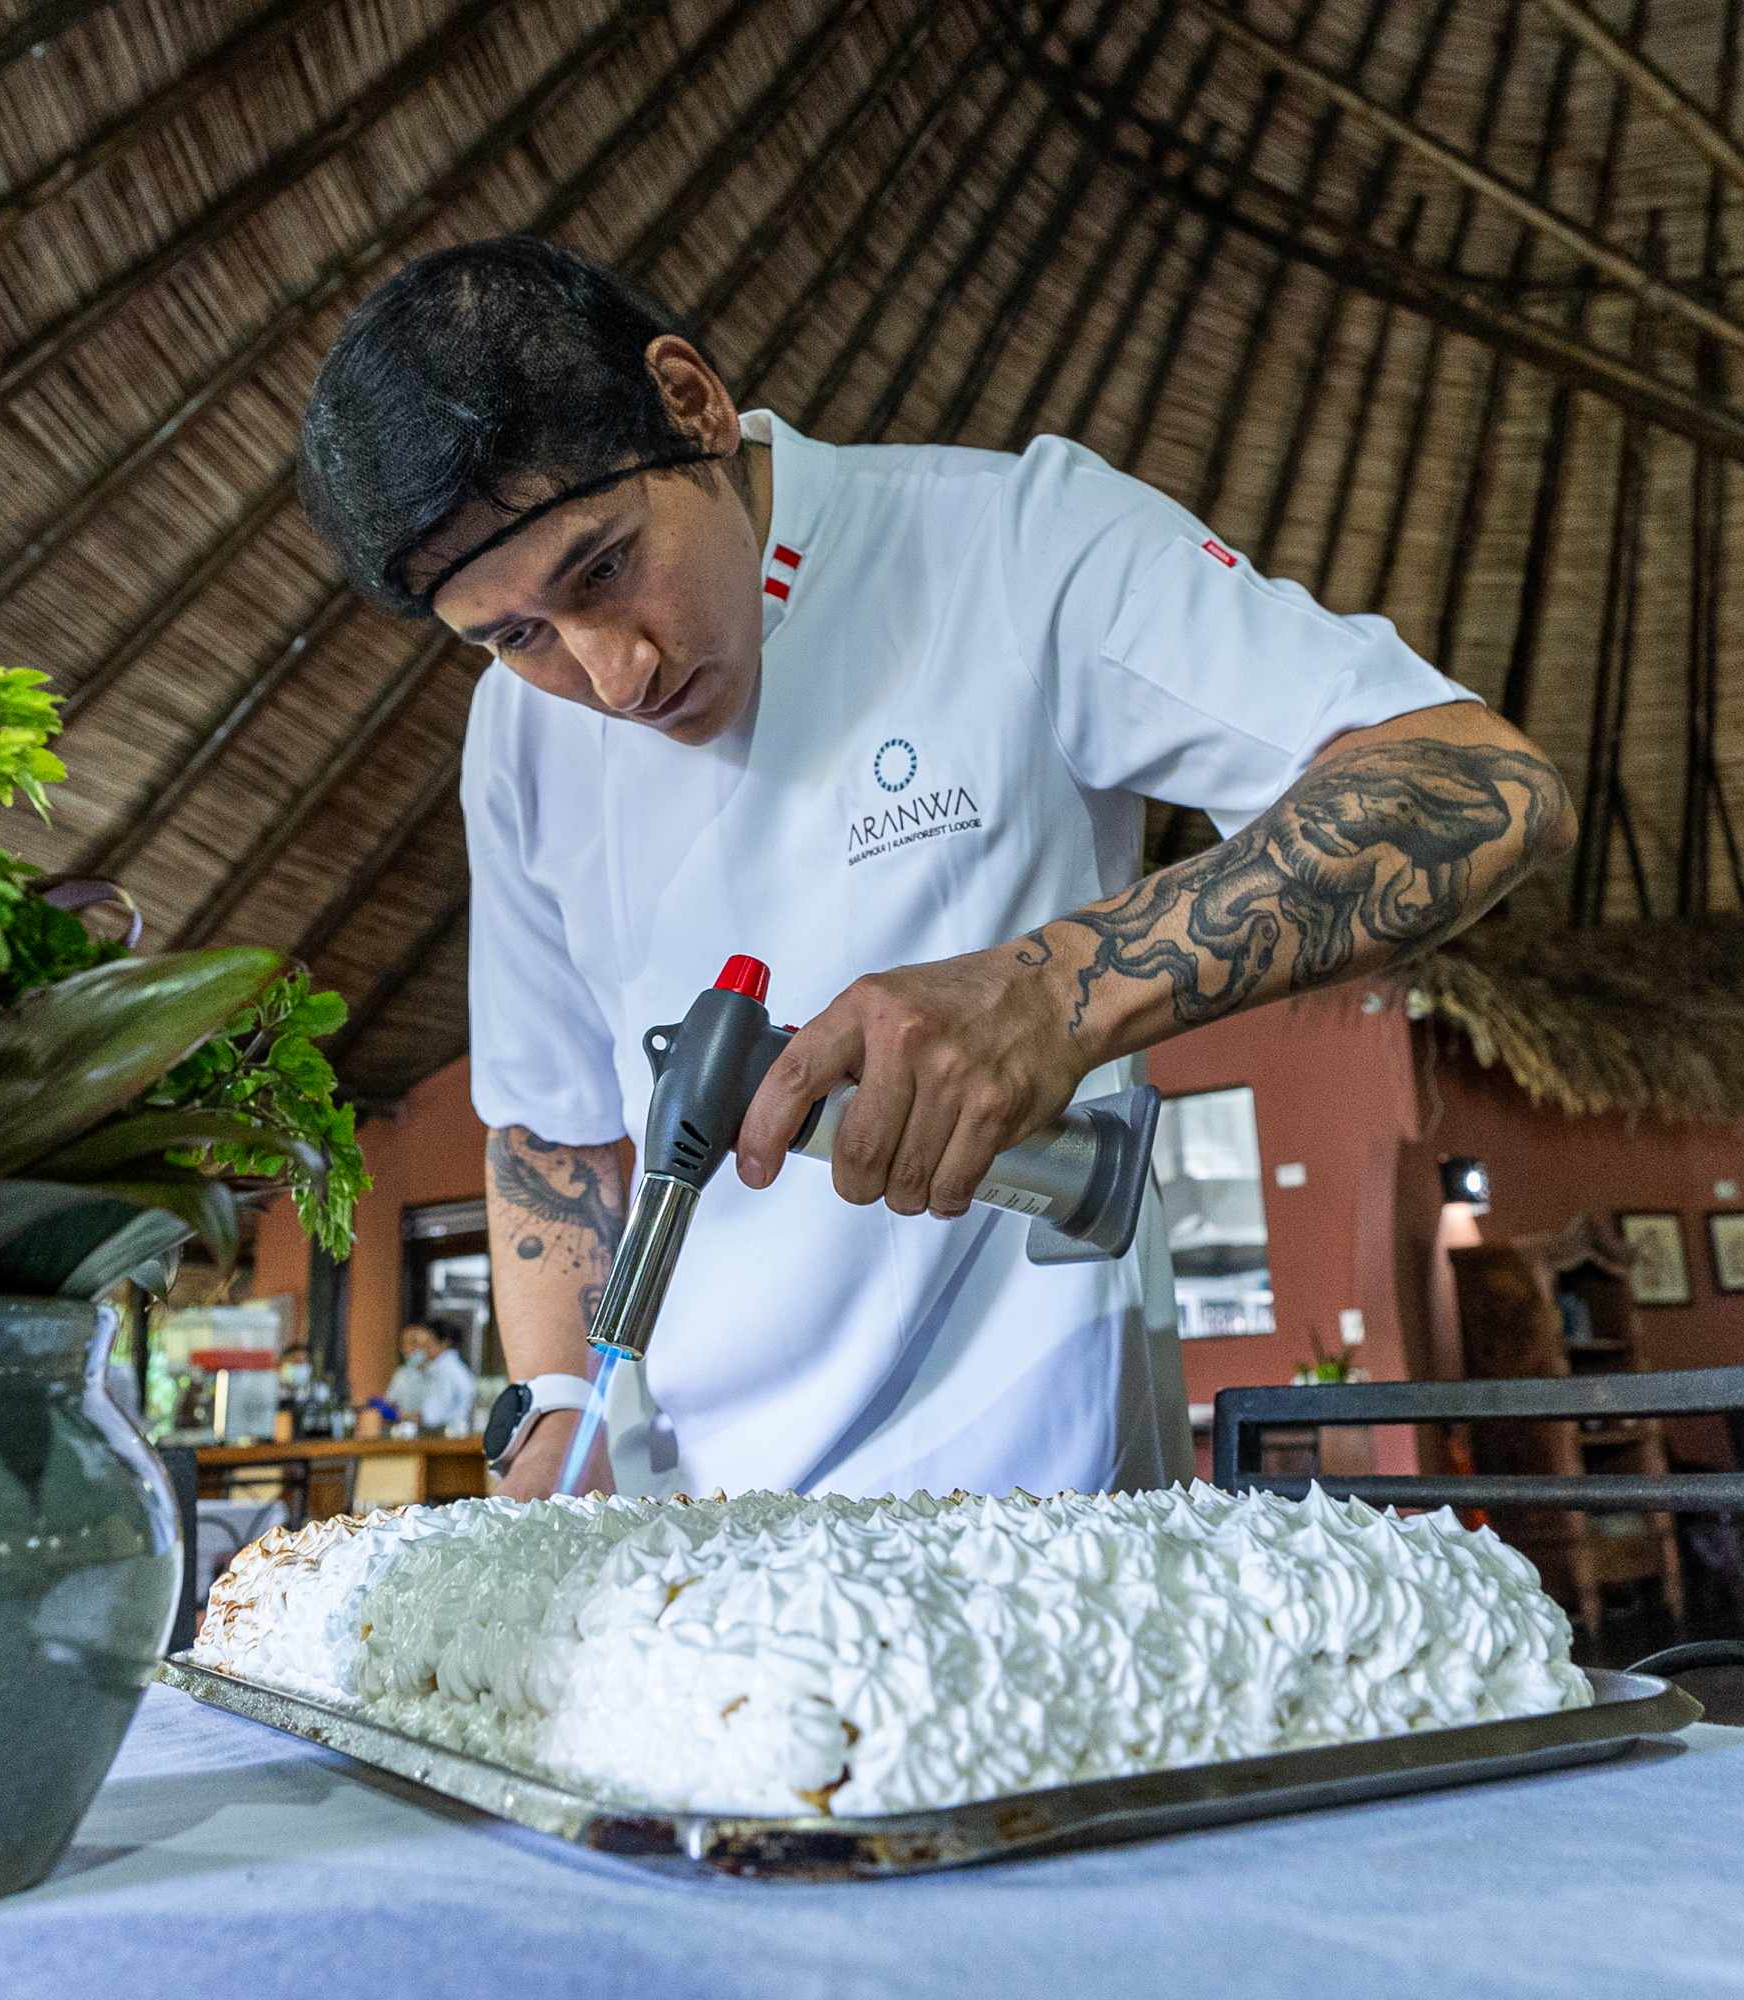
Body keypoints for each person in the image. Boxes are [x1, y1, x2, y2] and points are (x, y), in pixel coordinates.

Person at [297, 237, 1569, 1504]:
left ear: (690, 403)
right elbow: (552, 1129)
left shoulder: (1014, 544)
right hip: (691, 1527)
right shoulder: (517, 736)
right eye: (518, 633)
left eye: (605, 565)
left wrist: (1055, 989)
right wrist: (554, 1425)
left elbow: (1480, 786)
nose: (610, 675)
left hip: (1030, 1496)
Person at [391, 1321, 478, 1434]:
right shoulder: (446, 1368)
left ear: (444, 1343)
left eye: (429, 1342)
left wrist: (396, 1415)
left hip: (447, 1437)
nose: (424, 1348)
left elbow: (430, 1416)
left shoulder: (446, 1371)